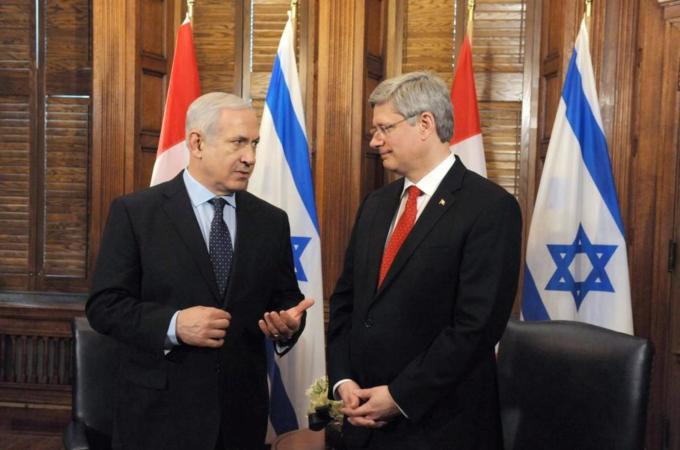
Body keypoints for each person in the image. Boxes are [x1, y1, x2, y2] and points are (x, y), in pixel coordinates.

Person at [86, 92, 314, 450]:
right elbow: (104, 306)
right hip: (158, 418)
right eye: (238, 142)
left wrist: (287, 325)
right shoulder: (136, 213)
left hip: (240, 419)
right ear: (197, 143)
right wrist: (174, 324)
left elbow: (285, 299)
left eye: (254, 143)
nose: (251, 157)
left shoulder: (271, 221)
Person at [326, 72, 522, 450]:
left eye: (384, 128)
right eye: (374, 130)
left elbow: (476, 327)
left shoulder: (490, 208)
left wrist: (399, 396)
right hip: (363, 423)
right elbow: (346, 302)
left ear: (425, 124)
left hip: (440, 427)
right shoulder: (375, 205)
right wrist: (343, 381)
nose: (375, 141)